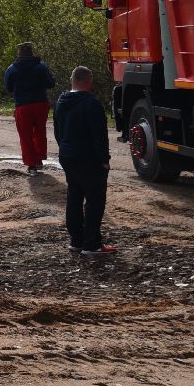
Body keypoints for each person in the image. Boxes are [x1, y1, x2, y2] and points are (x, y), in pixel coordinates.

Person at [53, 66, 114, 256]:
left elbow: (57, 130)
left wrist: (64, 147)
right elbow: (99, 136)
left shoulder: (61, 102)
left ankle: (76, 240)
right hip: (88, 158)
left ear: (72, 80)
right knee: (95, 200)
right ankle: (92, 244)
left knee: (74, 196)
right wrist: (104, 159)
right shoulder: (91, 104)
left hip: (68, 155)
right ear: (89, 80)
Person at [4, 42, 56, 174]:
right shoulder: (40, 67)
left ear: (19, 53)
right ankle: (39, 160)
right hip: (40, 104)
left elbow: (8, 87)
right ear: (31, 53)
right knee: (40, 132)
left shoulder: (12, 69)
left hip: (22, 105)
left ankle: (31, 165)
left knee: (25, 136)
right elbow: (50, 83)